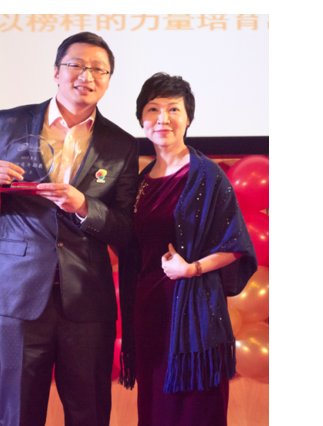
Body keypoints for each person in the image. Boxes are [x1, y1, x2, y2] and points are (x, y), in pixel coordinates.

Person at [0, 32, 140, 426]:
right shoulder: (9, 122)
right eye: (76, 65)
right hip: (18, 295)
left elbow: (125, 229)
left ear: (108, 80)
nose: (87, 76)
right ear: (56, 72)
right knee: (20, 414)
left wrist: (84, 207)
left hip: (87, 300)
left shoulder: (121, 144)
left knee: (89, 413)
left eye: (98, 69)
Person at [117, 73, 258, 426]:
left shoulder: (207, 175)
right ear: (141, 120)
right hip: (150, 311)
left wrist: (191, 269)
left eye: (173, 109)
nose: (162, 118)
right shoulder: (140, 181)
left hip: (197, 314)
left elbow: (236, 244)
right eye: (153, 109)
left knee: (197, 410)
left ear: (188, 118)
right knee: (155, 411)